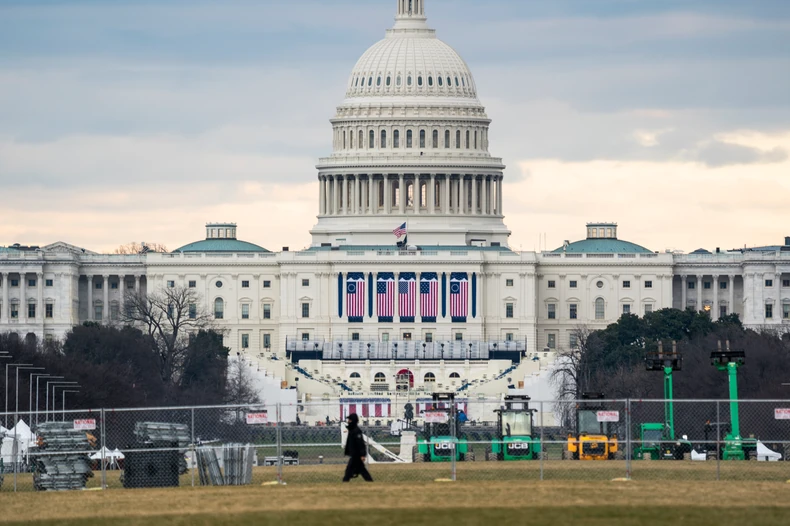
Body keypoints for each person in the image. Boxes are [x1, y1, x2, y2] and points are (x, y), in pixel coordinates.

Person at [343, 413, 373, 482]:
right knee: (361, 470)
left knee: (350, 470)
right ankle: (370, 481)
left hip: (356, 455)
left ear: (353, 420)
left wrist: (362, 454)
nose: (348, 421)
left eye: (350, 420)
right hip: (354, 454)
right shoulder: (352, 430)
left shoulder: (356, 431)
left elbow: (360, 444)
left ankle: (345, 481)